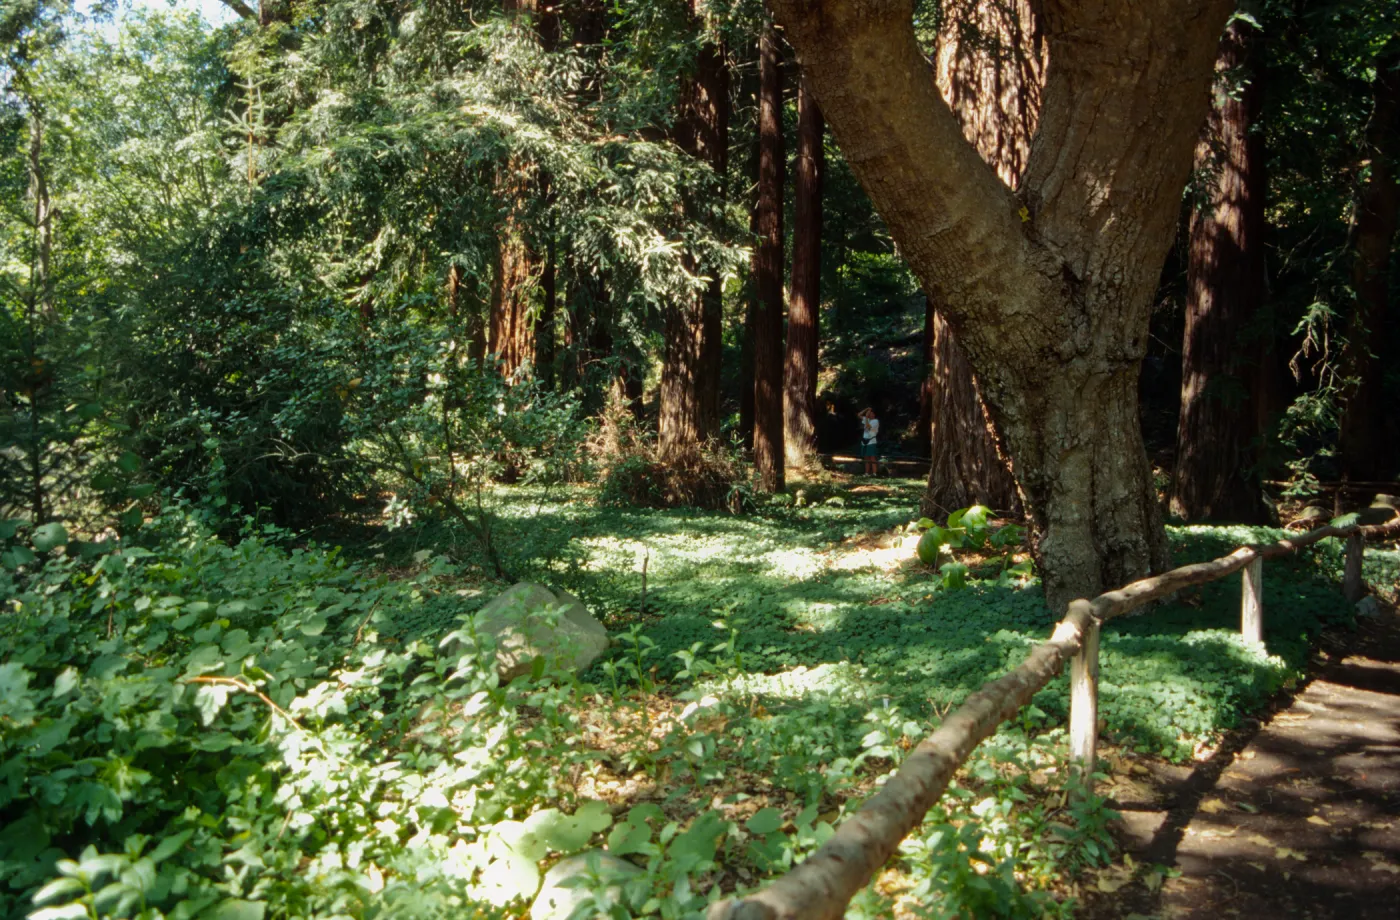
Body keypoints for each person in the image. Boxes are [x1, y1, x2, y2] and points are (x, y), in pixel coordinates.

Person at [858, 407, 879, 476]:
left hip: (871, 440)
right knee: (866, 457)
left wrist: (866, 417)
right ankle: (866, 473)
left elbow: (868, 426)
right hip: (864, 440)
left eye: (871, 413)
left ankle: (874, 473)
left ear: (874, 415)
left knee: (872, 457)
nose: (870, 415)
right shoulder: (867, 419)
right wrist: (866, 409)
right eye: (869, 414)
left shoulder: (875, 421)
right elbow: (859, 415)